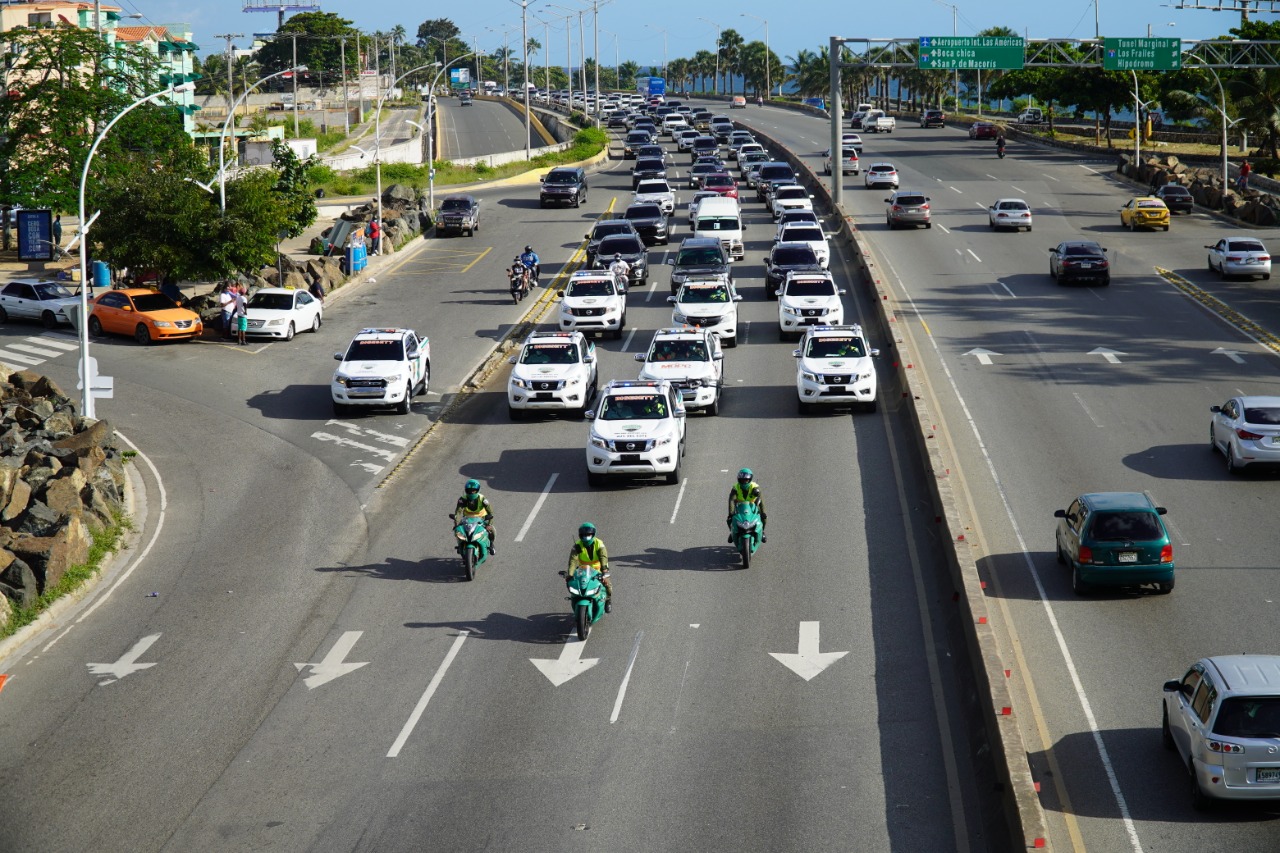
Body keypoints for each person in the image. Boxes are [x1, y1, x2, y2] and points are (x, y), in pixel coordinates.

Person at [566, 522, 611, 611]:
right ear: (580, 536)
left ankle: (608, 600)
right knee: (576, 585)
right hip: (582, 570)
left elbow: (603, 557)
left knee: (608, 585)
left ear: (593, 534)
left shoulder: (599, 544)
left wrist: (604, 571)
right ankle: (576, 600)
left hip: (597, 570)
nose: (586, 537)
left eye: (588, 535)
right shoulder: (577, 545)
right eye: (584, 535)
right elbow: (573, 561)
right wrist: (570, 574)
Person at [452, 478, 496, 555]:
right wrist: (456, 523)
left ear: (478, 490)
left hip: (482, 519)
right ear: (466, 490)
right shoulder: (462, 499)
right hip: (467, 519)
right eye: (469, 491)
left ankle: (491, 545)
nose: (472, 492)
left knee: (492, 530)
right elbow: (458, 512)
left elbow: (490, 512)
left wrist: (489, 524)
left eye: (474, 490)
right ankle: (461, 544)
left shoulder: (483, 499)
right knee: (458, 531)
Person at [727, 467, 767, 544]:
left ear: (750, 479)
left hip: (753, 507)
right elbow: (731, 500)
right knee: (729, 520)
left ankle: (762, 532)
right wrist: (731, 513)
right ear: (739, 480)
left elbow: (761, 500)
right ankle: (732, 533)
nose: (744, 482)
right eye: (742, 480)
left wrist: (763, 512)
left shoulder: (755, 487)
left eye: (746, 480)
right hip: (739, 507)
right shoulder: (735, 487)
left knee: (764, 518)